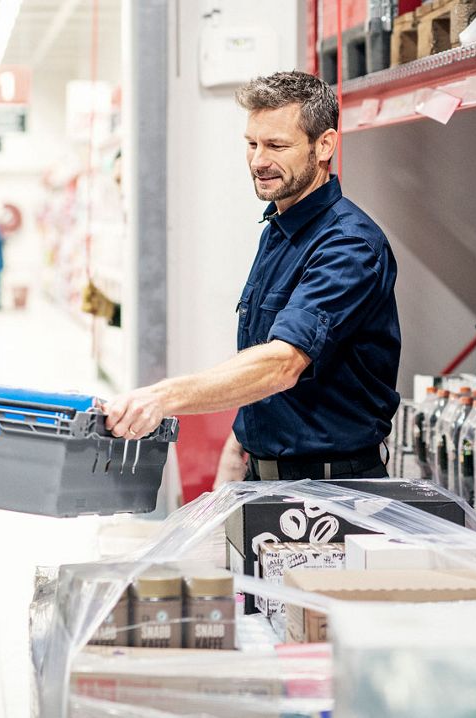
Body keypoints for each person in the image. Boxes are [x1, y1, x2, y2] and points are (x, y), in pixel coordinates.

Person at [105, 70, 401, 484]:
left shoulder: (349, 246)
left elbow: (281, 363)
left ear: (325, 145)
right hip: (267, 476)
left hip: (331, 489)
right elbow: (264, 356)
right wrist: (242, 443)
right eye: (252, 144)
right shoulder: (279, 231)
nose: (259, 160)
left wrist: (162, 396)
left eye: (277, 145)